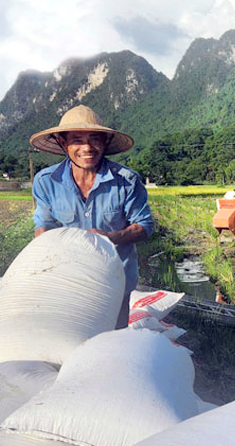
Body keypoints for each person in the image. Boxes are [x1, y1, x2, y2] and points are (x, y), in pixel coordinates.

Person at [29, 105, 154, 329]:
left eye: (94, 139)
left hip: (115, 278)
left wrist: (110, 237)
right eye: (77, 140)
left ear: (104, 142)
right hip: (68, 277)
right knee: (71, 337)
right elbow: (43, 226)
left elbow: (144, 225)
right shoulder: (46, 181)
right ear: (62, 142)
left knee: (113, 341)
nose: (87, 148)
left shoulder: (126, 180)